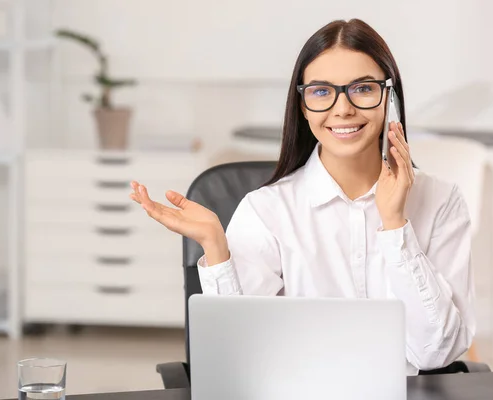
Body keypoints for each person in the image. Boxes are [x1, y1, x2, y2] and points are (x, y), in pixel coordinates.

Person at [129, 19, 475, 375]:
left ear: (391, 98)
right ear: (302, 105)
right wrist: (216, 248)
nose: (343, 109)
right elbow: (238, 358)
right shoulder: (266, 210)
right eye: (321, 91)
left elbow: (435, 353)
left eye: (363, 88)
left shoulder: (441, 200)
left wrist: (395, 226)